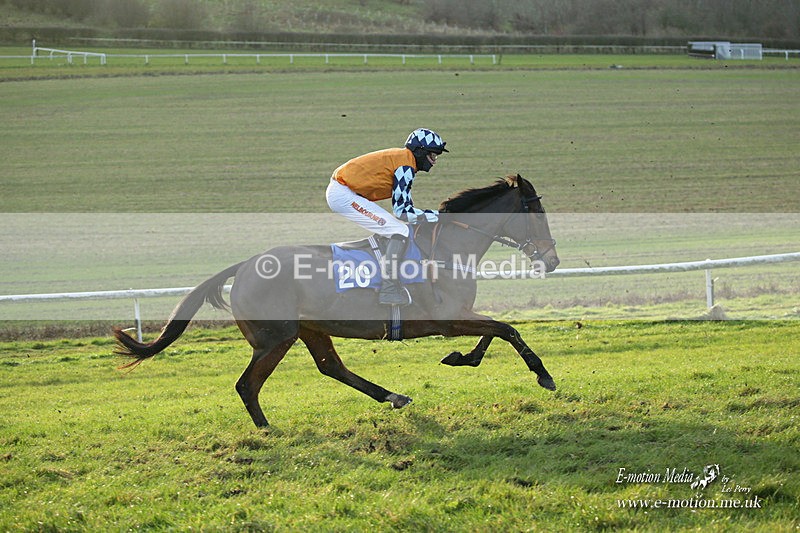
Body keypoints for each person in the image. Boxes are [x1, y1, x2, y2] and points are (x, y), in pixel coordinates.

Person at [326, 128, 448, 305]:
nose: (434, 161)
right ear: (420, 151)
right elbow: (403, 212)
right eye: (432, 155)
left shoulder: (404, 161)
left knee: (397, 228)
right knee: (399, 230)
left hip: (345, 192)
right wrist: (439, 216)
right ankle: (389, 288)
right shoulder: (405, 164)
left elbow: (406, 208)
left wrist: (432, 216)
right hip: (343, 195)